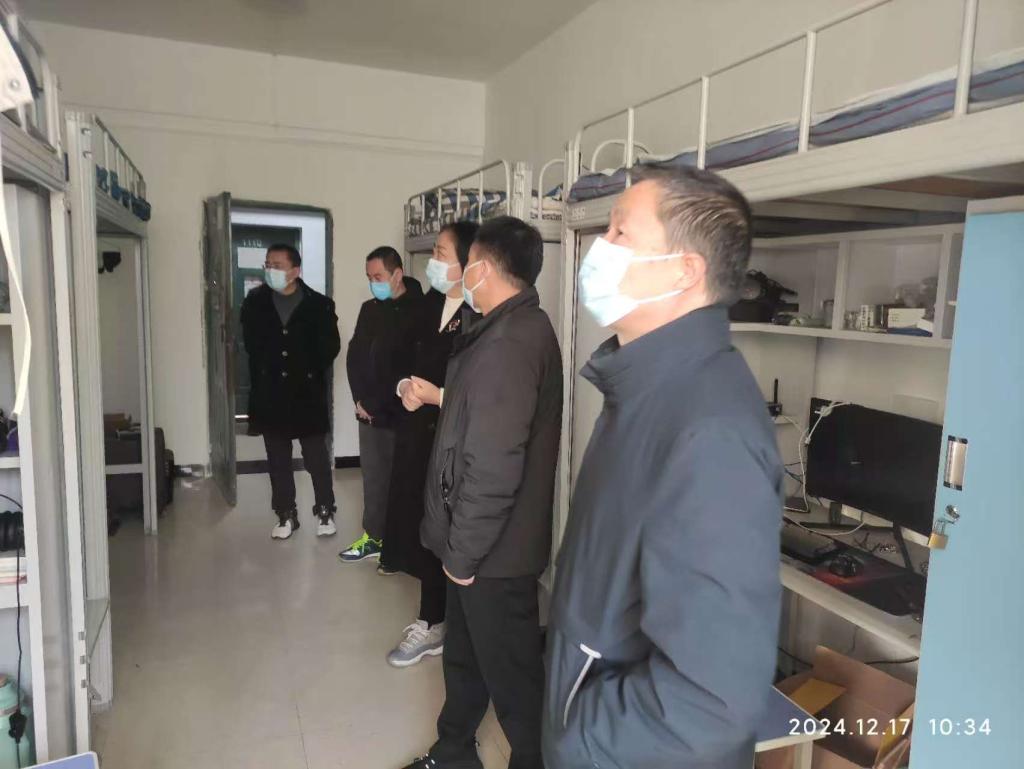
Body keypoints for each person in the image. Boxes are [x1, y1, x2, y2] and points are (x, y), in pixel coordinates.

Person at [542, 166, 783, 769]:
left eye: (620, 233)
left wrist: (580, 740)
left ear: (684, 270)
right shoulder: (643, 387)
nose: (599, 250)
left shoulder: (710, 433)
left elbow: (712, 702)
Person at [399, 216, 562, 769]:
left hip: (494, 551)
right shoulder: (499, 328)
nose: (458, 272)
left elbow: (492, 466)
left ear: (485, 269)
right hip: (477, 544)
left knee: (513, 676)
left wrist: (464, 554)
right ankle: (453, 753)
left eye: (464, 262)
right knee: (466, 661)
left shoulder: (510, 344)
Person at [381, 221, 480, 668]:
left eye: (441, 253)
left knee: (448, 530)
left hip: (455, 440)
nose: (433, 261)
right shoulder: (429, 305)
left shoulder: (480, 315)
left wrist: (437, 396)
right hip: (417, 434)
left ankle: (437, 621)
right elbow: (398, 359)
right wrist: (404, 385)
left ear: (468, 262)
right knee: (421, 523)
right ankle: (433, 618)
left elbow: (484, 391)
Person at [240, 243, 341, 540]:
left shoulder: (319, 304)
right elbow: (251, 345)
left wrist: (305, 367)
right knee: (278, 459)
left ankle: (325, 509)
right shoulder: (255, 301)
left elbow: (330, 347)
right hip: (270, 394)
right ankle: (286, 514)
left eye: (277, 265)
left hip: (307, 393)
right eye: (267, 264)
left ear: (295, 271)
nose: (270, 270)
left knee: (316, 458)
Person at [342, 247, 423, 563]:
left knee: (404, 482)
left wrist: (375, 402)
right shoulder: (369, 309)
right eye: (369, 277)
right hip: (368, 413)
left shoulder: (420, 311)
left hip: (400, 413)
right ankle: (374, 538)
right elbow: (354, 355)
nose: (373, 283)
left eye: (378, 277)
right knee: (374, 480)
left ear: (397, 274)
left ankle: (402, 547)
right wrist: (359, 400)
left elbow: (409, 368)